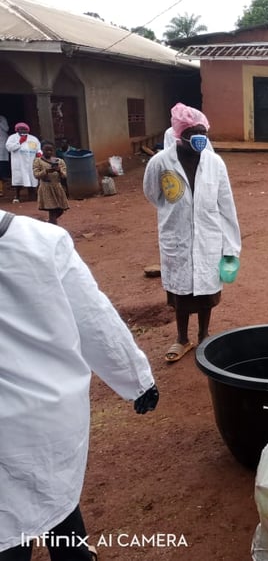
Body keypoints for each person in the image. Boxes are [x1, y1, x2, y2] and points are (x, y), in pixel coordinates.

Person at [0, 209, 159, 561]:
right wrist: (137, 380)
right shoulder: (42, 241)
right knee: (56, 497)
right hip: (51, 416)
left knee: (9, 523)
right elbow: (93, 319)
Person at [144, 103, 242, 363]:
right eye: (193, 133)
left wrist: (231, 247)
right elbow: (152, 194)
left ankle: (204, 335)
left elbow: (226, 207)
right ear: (180, 135)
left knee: (207, 294)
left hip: (210, 238)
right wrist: (177, 211)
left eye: (203, 133)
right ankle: (182, 338)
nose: (200, 138)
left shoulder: (215, 164)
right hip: (176, 238)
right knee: (181, 294)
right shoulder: (161, 162)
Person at [33, 140, 69, 225]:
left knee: (61, 209)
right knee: (52, 210)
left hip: (57, 187)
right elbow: (36, 175)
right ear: (42, 150)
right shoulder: (38, 161)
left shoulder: (59, 161)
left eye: (51, 150)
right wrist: (46, 171)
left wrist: (59, 171)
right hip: (46, 187)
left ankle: (48, 223)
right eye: (46, 150)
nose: (49, 152)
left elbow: (65, 175)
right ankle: (53, 226)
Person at [4, 122, 40, 204]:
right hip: (19, 163)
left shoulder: (33, 138)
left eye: (25, 129)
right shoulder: (12, 138)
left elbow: (38, 148)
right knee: (18, 180)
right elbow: (9, 148)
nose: (23, 131)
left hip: (31, 161)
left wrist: (39, 153)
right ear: (17, 130)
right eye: (21, 129)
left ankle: (32, 195)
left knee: (32, 178)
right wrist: (19, 142)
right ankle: (17, 196)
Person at [0, 115, 9, 197]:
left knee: (2, 162)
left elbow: (6, 128)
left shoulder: (2, 118)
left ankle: (4, 177)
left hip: (2, 142)